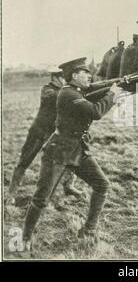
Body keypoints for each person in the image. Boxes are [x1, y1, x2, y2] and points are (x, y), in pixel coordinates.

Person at [21, 57, 123, 251]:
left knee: (102, 185)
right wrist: (113, 93)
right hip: (58, 151)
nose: (90, 76)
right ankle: (25, 236)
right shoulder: (67, 93)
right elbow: (95, 112)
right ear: (74, 75)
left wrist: (124, 86)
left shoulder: (78, 92)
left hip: (77, 148)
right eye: (85, 73)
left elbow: (96, 94)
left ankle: (88, 230)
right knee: (42, 198)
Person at [6, 67, 82, 205]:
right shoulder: (47, 90)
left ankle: (68, 186)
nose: (67, 81)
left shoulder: (69, 91)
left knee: (70, 157)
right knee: (25, 160)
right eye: (64, 78)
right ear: (55, 78)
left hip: (56, 133)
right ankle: (12, 192)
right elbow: (53, 97)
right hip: (39, 132)